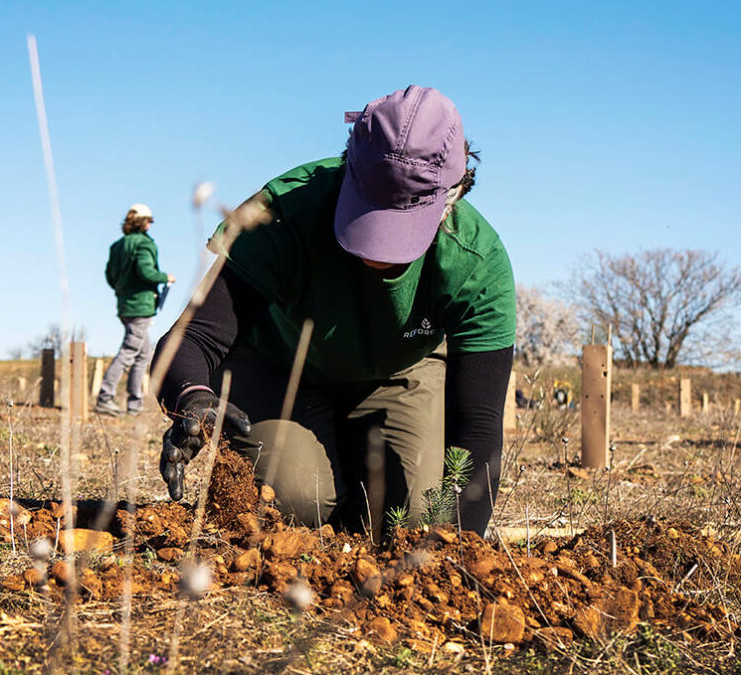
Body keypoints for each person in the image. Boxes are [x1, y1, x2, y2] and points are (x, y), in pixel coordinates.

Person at [153, 85, 515, 536]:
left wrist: (460, 546)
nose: (378, 249)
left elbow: (478, 427)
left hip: (396, 373)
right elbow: (192, 338)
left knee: (418, 519)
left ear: (452, 198)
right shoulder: (284, 216)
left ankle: (352, 455)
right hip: (279, 369)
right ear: (349, 167)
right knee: (297, 503)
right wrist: (191, 397)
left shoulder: (476, 262)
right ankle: (320, 462)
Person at [95, 203, 176, 416]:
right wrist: (165, 277)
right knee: (129, 351)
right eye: (149, 221)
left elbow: (109, 276)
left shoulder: (117, 246)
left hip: (125, 305)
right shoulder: (144, 245)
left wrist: (122, 290)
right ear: (143, 222)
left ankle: (135, 404)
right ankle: (105, 398)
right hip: (141, 305)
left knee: (144, 353)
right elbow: (146, 272)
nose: (150, 224)